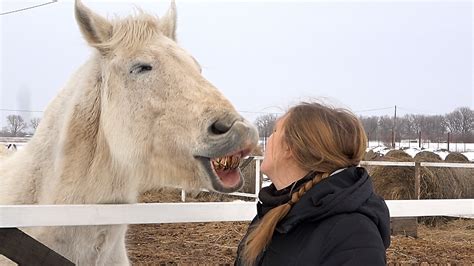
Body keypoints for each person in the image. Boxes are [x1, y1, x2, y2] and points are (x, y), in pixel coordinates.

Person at [235, 102, 390, 266]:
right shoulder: (273, 213)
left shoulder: (353, 236)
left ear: (291, 148)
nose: (267, 139)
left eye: (274, 131)